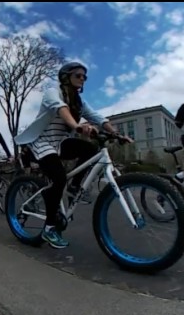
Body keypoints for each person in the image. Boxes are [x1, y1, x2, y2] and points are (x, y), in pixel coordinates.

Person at [14, 61, 131, 249]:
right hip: (43, 142)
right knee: (59, 178)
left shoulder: (79, 102)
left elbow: (98, 118)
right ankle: (49, 228)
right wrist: (76, 126)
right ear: (66, 77)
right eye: (78, 75)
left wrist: (117, 134)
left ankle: (74, 186)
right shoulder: (53, 93)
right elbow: (61, 109)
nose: (82, 79)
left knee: (91, 150)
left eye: (85, 76)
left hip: (61, 143)